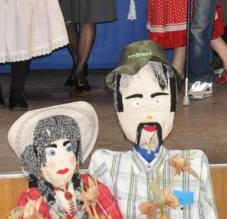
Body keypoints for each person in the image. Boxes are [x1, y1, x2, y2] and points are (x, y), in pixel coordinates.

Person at [89, 40, 218, 218]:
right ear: (119, 110)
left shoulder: (194, 163)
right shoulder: (107, 166)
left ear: (172, 104)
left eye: (158, 100)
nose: (148, 112)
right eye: (136, 102)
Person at [7, 101, 122, 218]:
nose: (62, 160)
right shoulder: (33, 199)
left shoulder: (91, 186)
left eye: (68, 149)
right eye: (52, 152)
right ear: (37, 161)